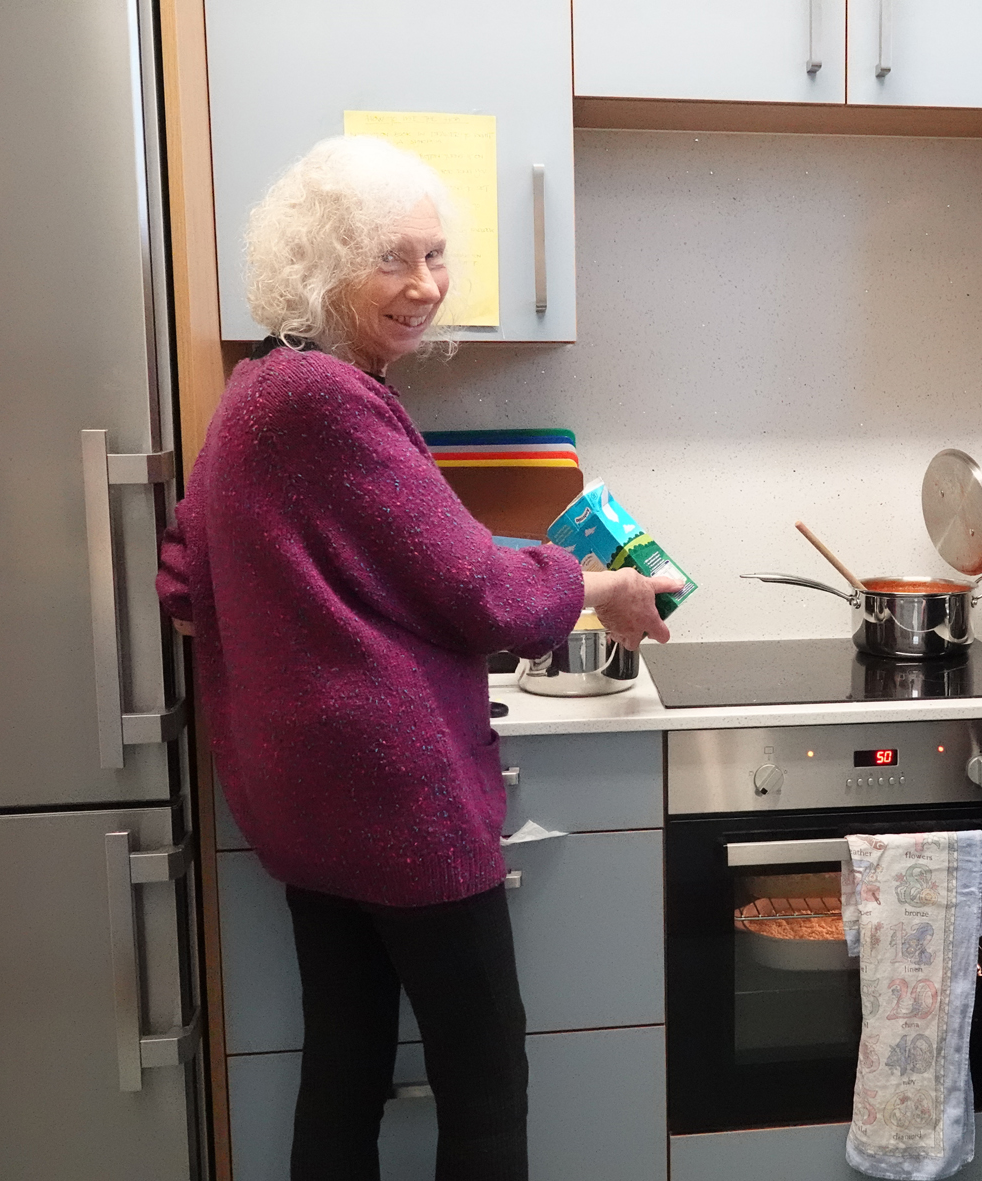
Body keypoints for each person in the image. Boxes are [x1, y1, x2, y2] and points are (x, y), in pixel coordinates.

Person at [156, 136, 680, 1181]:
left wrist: (303, 616)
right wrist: (596, 586)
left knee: (343, 1064)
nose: (425, 286)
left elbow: (183, 579)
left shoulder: (257, 389)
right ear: (322, 267)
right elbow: (478, 593)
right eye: (391, 259)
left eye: (436, 256)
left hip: (304, 802)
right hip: (396, 799)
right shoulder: (330, 398)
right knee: (483, 1078)